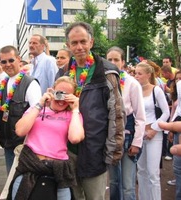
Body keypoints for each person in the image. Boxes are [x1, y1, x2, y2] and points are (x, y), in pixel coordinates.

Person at [64, 21, 126, 200]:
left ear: (91, 42)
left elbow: (117, 113)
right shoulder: (63, 73)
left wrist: (113, 151)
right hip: (67, 151)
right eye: (74, 43)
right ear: (68, 46)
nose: (79, 47)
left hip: (95, 150)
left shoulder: (106, 71)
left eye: (83, 41)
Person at [9, 76, 85, 199]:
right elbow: (20, 131)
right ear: (52, 91)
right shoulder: (37, 109)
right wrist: (40, 104)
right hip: (30, 167)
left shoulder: (72, 115)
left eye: (67, 96)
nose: (61, 99)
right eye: (59, 93)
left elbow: (75, 138)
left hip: (58, 171)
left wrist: (75, 109)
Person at [0, 45, 42, 174]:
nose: (8, 64)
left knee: (23, 184)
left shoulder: (30, 83)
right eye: (3, 61)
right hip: (8, 142)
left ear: (18, 59)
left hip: (25, 145)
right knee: (11, 182)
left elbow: (38, 114)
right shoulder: (4, 82)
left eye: (11, 60)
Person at [106, 46, 146, 200]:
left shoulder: (132, 83)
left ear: (123, 62)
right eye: (109, 59)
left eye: (116, 59)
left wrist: (137, 142)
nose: (113, 62)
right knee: (114, 181)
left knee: (128, 185)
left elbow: (140, 116)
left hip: (128, 134)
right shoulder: (104, 81)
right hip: (110, 135)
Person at [134, 62, 170, 200]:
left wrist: (154, 129)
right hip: (140, 135)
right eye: (135, 73)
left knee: (153, 173)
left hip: (154, 135)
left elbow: (166, 112)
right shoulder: (135, 90)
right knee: (141, 171)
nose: (136, 76)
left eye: (139, 73)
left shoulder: (157, 90)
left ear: (148, 75)